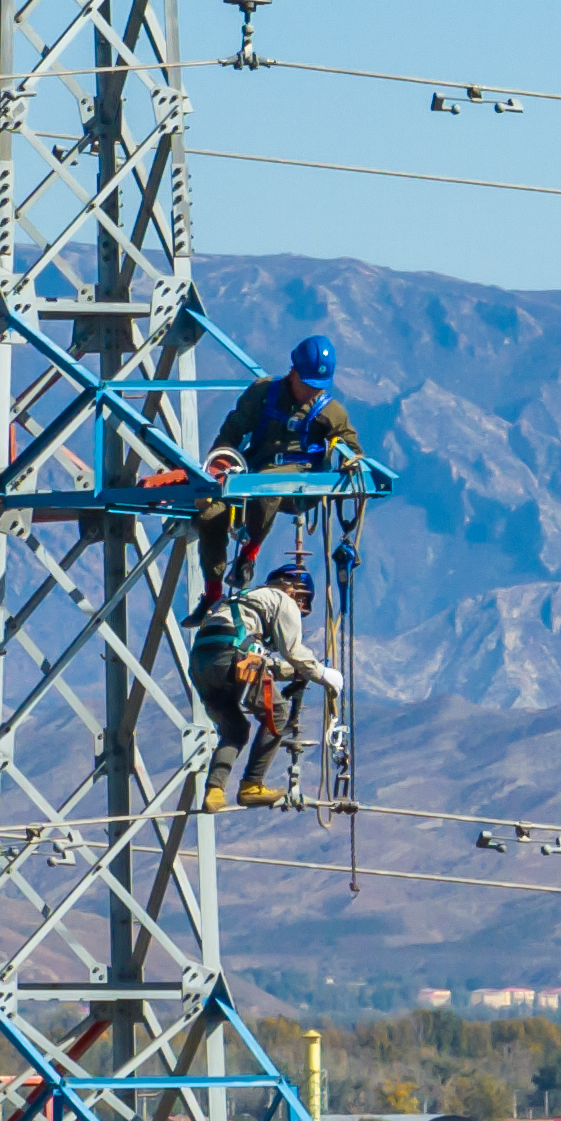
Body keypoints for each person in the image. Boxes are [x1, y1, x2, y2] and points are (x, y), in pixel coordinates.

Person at [197, 333, 360, 605]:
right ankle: (212, 593)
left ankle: (248, 554)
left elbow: (351, 448)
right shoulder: (262, 395)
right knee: (211, 513)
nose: (312, 392)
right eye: (307, 384)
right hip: (251, 474)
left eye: (318, 387)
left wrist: (348, 460)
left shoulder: (330, 413)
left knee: (266, 485)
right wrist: (220, 468)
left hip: (300, 483)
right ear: (292, 371)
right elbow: (231, 433)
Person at [191, 561, 339, 810]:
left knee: (234, 728)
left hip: (201, 661)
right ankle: (252, 785)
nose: (300, 608)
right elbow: (292, 650)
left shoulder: (236, 603)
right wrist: (323, 674)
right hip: (233, 656)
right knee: (277, 713)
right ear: (293, 588)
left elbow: (262, 662)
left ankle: (214, 791)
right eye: (302, 601)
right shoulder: (281, 599)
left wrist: (296, 673)